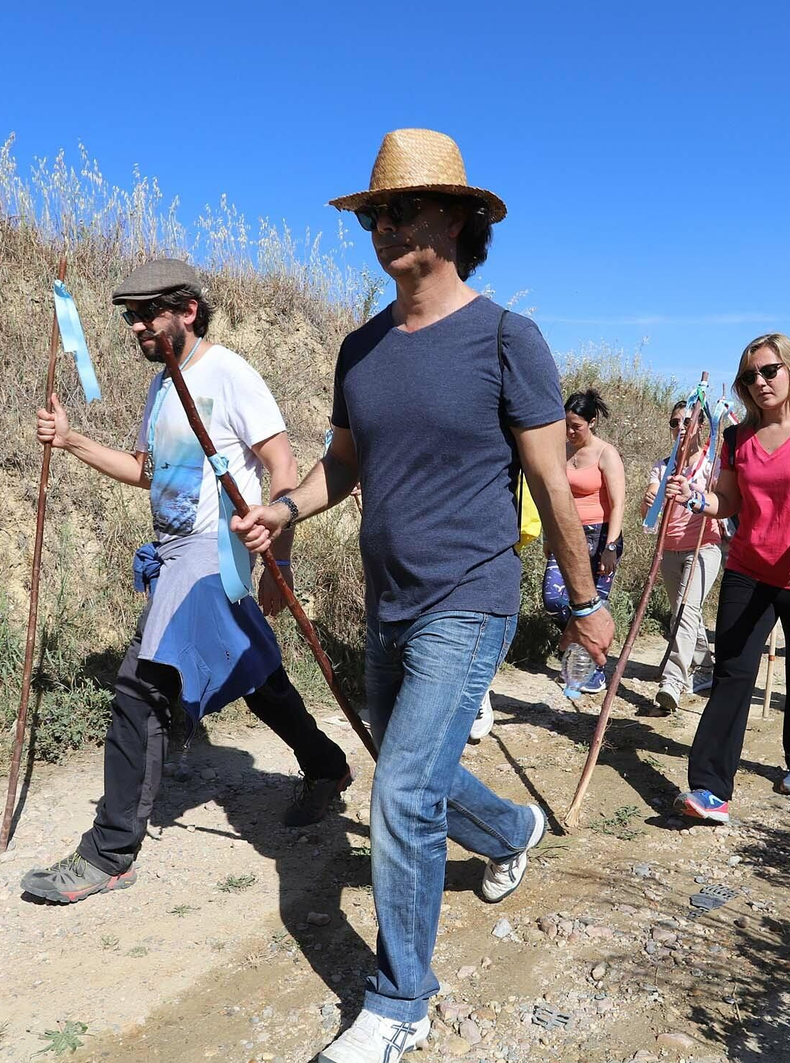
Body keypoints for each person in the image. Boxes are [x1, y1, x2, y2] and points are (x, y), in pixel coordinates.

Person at [233, 128, 613, 1063]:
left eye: (402, 209)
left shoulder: (504, 338)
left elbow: (551, 482)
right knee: (419, 769)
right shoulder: (360, 348)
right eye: (373, 213)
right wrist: (285, 506)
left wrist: (583, 596)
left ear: (457, 218)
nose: (384, 225)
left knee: (401, 787)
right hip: (388, 601)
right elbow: (344, 468)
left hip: (470, 595)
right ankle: (512, 826)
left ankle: (400, 1002)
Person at [19, 259, 353, 905]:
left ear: (188, 310)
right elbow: (150, 471)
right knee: (253, 671)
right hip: (174, 553)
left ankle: (109, 852)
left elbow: (282, 466)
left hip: (216, 552)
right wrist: (70, 441)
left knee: (140, 686)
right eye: (129, 316)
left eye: (148, 314)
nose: (137, 326)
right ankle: (327, 764)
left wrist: (277, 558)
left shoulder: (228, 373)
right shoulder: (162, 387)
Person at [668, 333, 790, 826]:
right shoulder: (736, 438)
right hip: (750, 570)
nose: (760, 382)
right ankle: (709, 787)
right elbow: (727, 503)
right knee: (732, 673)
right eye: (750, 376)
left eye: (770, 371)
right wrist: (695, 498)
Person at [542, 389, 625, 695]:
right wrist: (549, 535)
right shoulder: (560, 451)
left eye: (576, 426)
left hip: (601, 536)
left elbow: (618, 505)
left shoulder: (607, 454)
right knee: (553, 600)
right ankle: (583, 648)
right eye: (566, 425)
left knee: (593, 606)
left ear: (592, 422)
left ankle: (595, 669)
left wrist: (611, 547)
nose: (570, 431)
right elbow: (552, 496)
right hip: (566, 535)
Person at [643, 400, 724, 713]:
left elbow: (722, 498)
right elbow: (648, 512)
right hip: (670, 550)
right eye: (674, 423)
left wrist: (700, 494)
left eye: (686, 422)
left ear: (699, 426)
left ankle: (673, 680)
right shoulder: (663, 467)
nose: (680, 428)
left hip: (704, 547)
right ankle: (705, 668)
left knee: (687, 609)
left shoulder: (711, 463)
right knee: (684, 613)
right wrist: (651, 498)